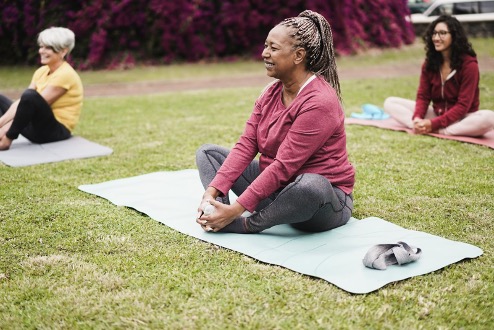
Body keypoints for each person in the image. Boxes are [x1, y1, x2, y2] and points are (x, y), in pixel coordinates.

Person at [195, 10, 355, 234]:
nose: (265, 53)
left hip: (320, 204)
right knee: (208, 154)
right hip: (275, 191)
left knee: (311, 186)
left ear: (298, 56)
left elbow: (284, 166)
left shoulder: (319, 101)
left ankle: (244, 224)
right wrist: (211, 192)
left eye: (273, 48)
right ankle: (217, 211)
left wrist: (238, 210)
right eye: (265, 46)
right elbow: (246, 145)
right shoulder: (270, 93)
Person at [383, 15, 494, 137]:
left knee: (489, 117)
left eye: (442, 33)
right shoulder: (429, 63)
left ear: (454, 36)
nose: (436, 38)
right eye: (434, 33)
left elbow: (463, 105)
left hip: (462, 118)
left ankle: (440, 131)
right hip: (437, 114)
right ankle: (419, 126)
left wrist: (434, 124)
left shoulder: (469, 65)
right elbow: (423, 96)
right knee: (390, 102)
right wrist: (418, 118)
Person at [0, 27, 83, 150]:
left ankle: (7, 140)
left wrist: (6, 132)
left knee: (30, 96)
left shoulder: (66, 74)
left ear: (63, 51)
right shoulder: (41, 71)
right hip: (35, 126)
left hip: (55, 132)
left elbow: (31, 104)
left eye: (48, 47)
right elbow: (21, 103)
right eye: (41, 46)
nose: (41, 51)